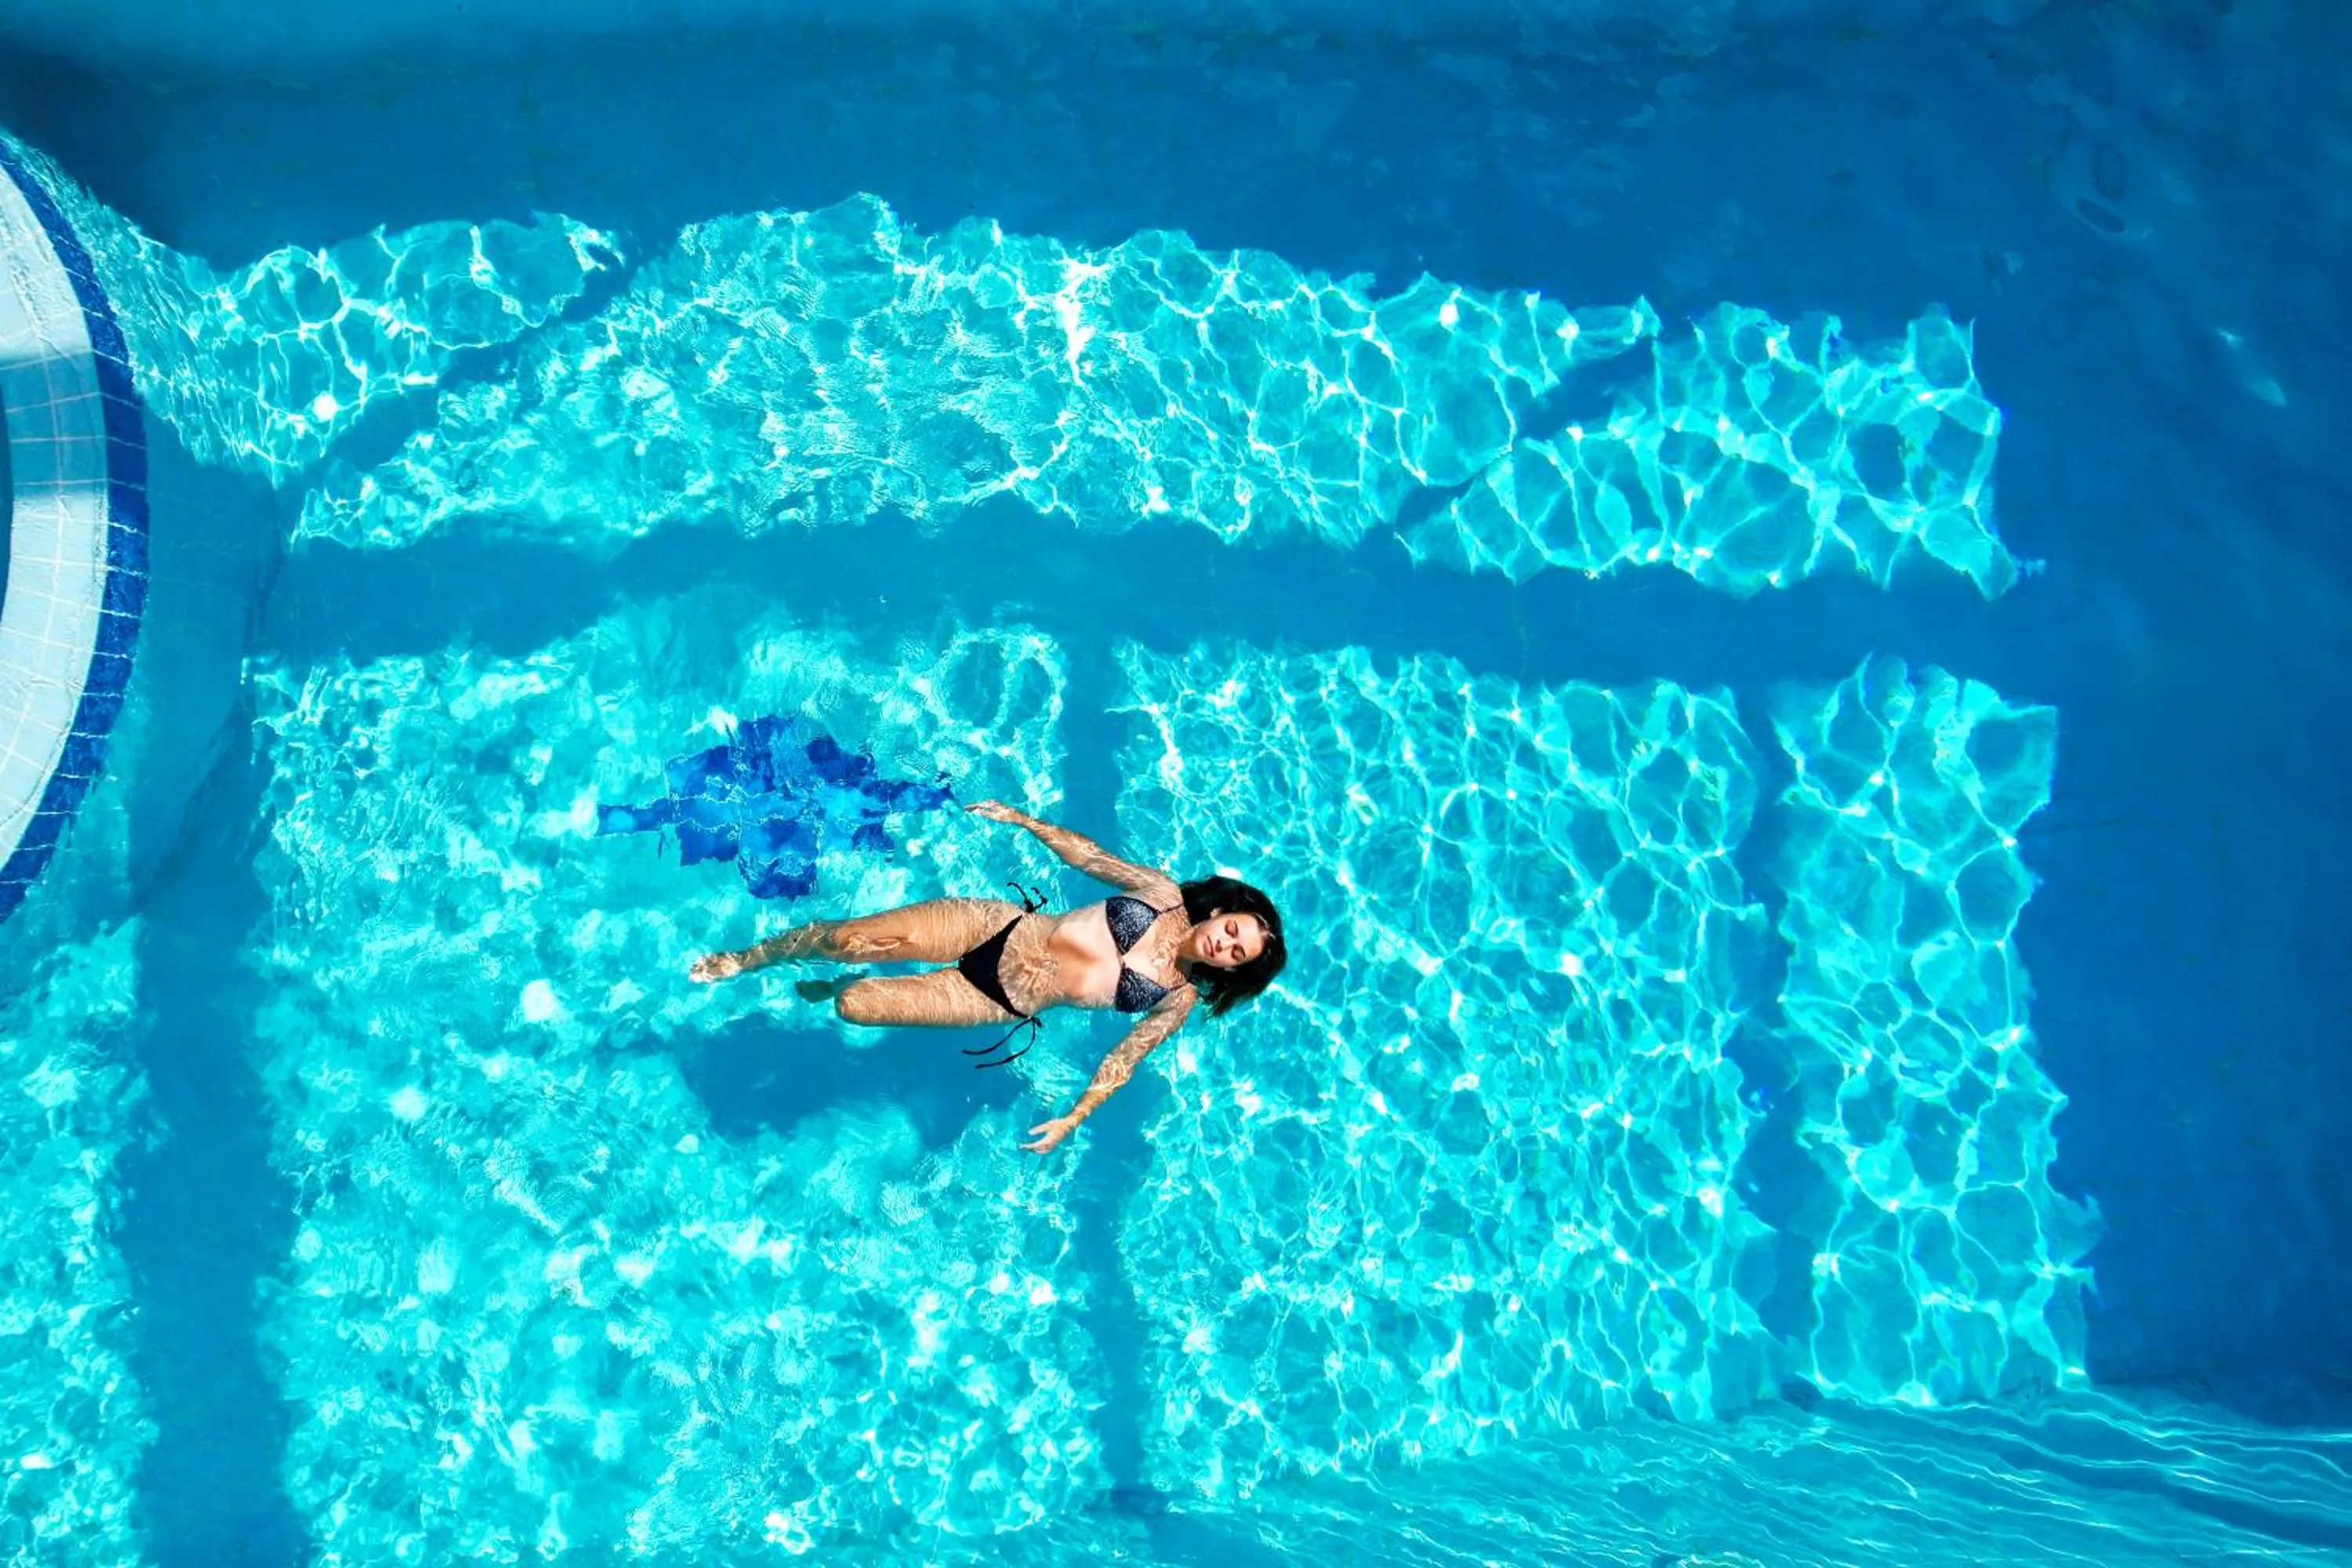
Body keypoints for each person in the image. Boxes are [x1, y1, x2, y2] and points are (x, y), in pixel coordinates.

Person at [689, 800, 1285, 1152]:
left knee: (854, 1005)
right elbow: (1090, 855)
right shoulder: (1160, 893)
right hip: (993, 928)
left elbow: (1122, 1062)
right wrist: (1023, 821)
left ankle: (826, 987)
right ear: (1224, 912)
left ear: (1228, 971)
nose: (1226, 943)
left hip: (994, 997)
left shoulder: (1175, 1001)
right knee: (847, 939)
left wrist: (1076, 1118)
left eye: (1236, 955)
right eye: (1235, 930)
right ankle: (748, 959)